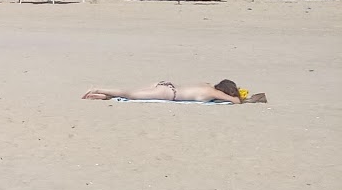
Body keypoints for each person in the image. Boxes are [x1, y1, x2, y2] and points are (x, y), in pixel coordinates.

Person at [82, 80, 265, 103]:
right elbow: (235, 102)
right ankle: (99, 88)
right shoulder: (214, 93)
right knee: (130, 94)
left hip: (167, 86)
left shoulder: (207, 86)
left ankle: (99, 96)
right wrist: (242, 97)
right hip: (168, 94)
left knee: (133, 93)